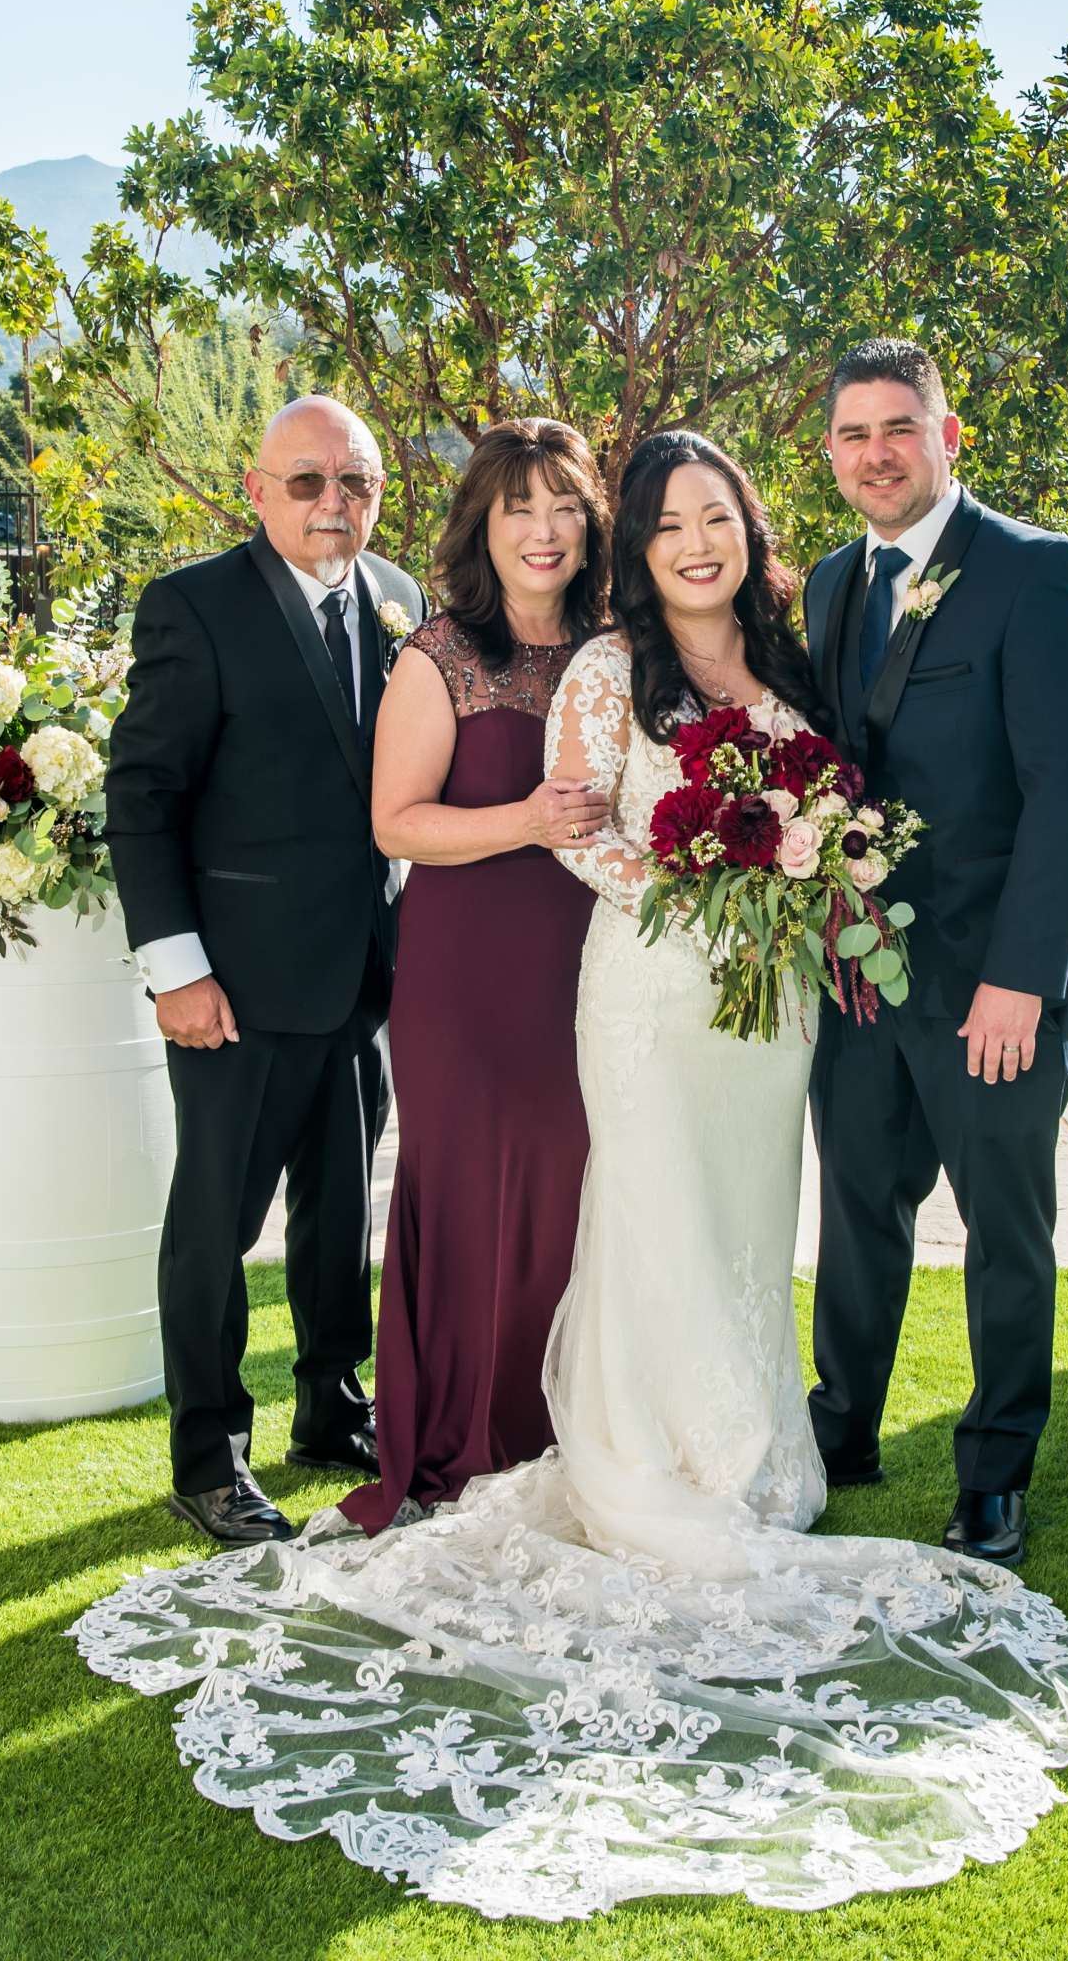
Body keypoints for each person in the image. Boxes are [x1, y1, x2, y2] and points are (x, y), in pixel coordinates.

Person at [73, 427, 1068, 1920]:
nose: (688, 542)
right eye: (664, 524)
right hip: (631, 981)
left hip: (765, 1012)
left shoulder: (797, 641)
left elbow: (845, 810)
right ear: (630, 547)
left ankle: (758, 1442)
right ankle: (560, 1452)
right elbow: (575, 830)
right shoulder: (553, 660)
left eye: (714, 519)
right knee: (607, 1212)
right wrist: (723, 881)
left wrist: (810, 888)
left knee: (733, 1221)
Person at [804, 337, 1068, 1566]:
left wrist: (1021, 980)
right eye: (853, 435)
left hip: (1000, 977)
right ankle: (841, 1430)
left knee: (1004, 1225)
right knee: (857, 1207)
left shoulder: (1036, 574)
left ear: (948, 435)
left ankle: (994, 1472)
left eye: (899, 428)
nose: (877, 454)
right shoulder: (832, 583)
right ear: (830, 453)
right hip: (866, 973)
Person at [105, 395, 426, 1547]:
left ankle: (332, 1408)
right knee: (216, 1223)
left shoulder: (401, 601)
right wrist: (176, 970)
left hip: (363, 977)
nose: (334, 505)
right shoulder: (192, 606)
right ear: (257, 488)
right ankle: (208, 1456)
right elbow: (141, 803)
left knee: (341, 1215)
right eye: (308, 483)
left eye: (358, 483)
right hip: (231, 990)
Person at [338, 419, 611, 1532]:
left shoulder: (619, 648)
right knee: (469, 1196)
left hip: (596, 974)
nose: (542, 531)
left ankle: (572, 1433)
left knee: (576, 1199)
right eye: (518, 509)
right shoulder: (440, 654)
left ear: (592, 524)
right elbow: (394, 824)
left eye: (562, 508)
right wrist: (531, 819)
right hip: (466, 981)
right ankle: (459, 1439)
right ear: (482, 527)